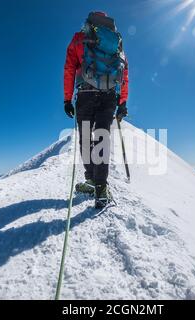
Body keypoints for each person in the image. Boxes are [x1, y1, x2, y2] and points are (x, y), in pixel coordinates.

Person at [63, 11, 129, 208]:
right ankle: (100, 189)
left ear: (89, 23)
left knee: (85, 138)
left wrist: (67, 99)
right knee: (102, 137)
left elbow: (69, 68)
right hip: (109, 96)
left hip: (85, 94)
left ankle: (92, 180)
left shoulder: (80, 38)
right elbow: (124, 73)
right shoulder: (117, 44)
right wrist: (122, 102)